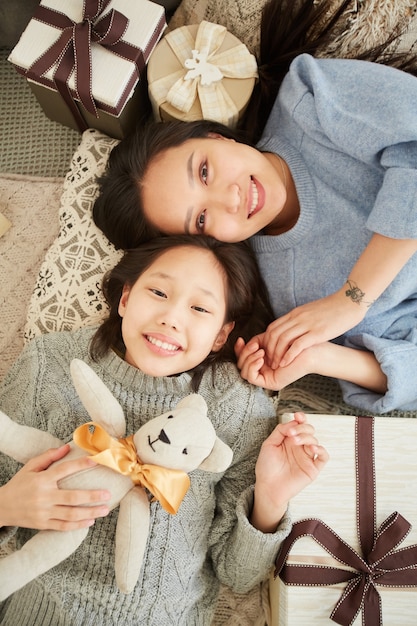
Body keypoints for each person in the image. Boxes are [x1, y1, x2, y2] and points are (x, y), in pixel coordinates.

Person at [92, 3, 417, 415]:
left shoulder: (311, 98)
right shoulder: (289, 294)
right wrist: (318, 357)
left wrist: (351, 300)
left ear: (216, 135)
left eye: (205, 171)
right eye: (203, 219)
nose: (231, 199)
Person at [0, 235, 328, 625]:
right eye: (158, 292)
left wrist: (270, 500)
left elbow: (238, 576)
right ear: (125, 298)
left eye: (199, 307)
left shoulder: (236, 408)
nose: (171, 317)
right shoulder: (52, 364)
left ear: (221, 335)